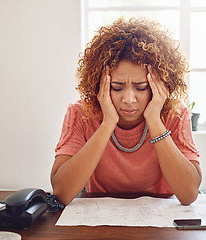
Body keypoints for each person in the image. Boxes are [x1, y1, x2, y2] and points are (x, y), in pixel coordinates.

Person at [51, 17, 201, 206]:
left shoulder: (175, 114)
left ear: (158, 86)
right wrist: (107, 123)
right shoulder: (81, 113)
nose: (129, 99)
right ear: (99, 85)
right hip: (100, 220)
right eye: (116, 87)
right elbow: (62, 193)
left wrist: (154, 120)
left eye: (140, 87)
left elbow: (189, 194)